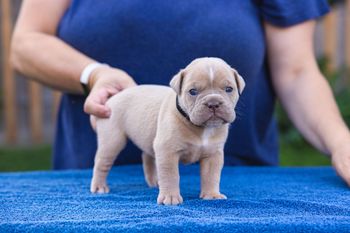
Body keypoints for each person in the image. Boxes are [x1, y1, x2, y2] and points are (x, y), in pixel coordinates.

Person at [10, 0, 350, 185]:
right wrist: (93, 74)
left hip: (243, 182)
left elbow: (297, 71)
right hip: (94, 180)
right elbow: (26, 43)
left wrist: (340, 142)